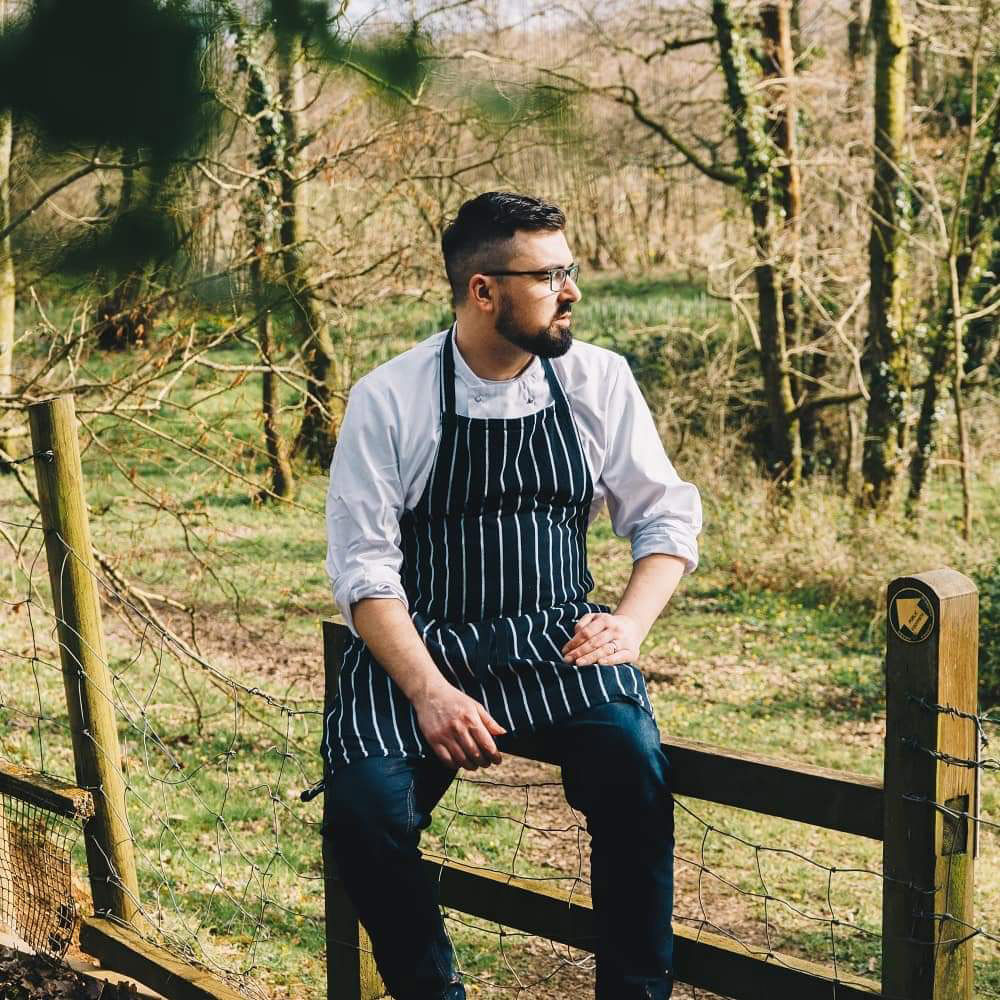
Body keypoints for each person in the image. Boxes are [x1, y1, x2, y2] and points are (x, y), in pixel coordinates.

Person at [322, 191, 702, 1000]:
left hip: (553, 640)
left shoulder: (599, 379)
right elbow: (364, 571)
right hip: (422, 647)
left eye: (570, 271)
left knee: (634, 770)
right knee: (364, 813)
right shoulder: (390, 397)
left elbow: (665, 516)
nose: (572, 292)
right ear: (482, 291)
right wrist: (428, 692)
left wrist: (629, 626)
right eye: (548, 276)